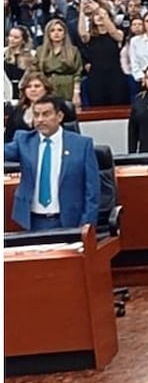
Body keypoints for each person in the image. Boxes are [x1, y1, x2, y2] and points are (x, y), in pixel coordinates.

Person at [4, 95, 99, 232]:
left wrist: (87, 225)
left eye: (46, 114)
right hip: (31, 221)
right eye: (36, 115)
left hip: (69, 221)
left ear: (59, 116)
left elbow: (92, 191)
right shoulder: (24, 141)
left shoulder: (82, 145)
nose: (40, 119)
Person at [33, 18, 83, 106]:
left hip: (67, 88)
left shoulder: (73, 50)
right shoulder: (40, 51)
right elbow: (35, 72)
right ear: (48, 33)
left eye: (60, 30)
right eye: (52, 30)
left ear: (64, 33)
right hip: (46, 88)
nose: (56, 33)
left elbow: (77, 74)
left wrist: (76, 93)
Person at [4, 72, 53, 142]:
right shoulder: (17, 110)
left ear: (46, 89)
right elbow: (8, 136)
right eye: (29, 87)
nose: (33, 90)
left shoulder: (57, 107)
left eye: (37, 86)